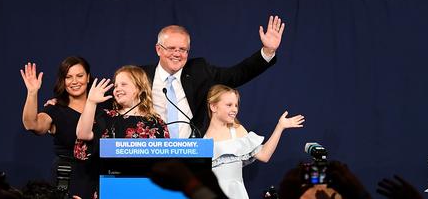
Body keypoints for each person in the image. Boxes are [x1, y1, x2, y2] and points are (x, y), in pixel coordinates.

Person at [142, 15, 285, 138]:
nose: (177, 54)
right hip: (150, 153)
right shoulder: (140, 76)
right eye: (171, 48)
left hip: (191, 154)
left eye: (183, 49)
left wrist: (268, 51)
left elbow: (236, 75)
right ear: (158, 49)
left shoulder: (199, 70)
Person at [204, 85, 304, 199]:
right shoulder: (200, 136)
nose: (234, 110)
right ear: (213, 106)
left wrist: (280, 127)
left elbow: (264, 155)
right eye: (229, 105)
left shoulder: (237, 131)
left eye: (236, 105)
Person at [20, 57, 96, 199]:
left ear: (88, 77)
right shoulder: (55, 109)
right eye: (68, 77)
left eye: (80, 76)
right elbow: (31, 124)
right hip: (69, 180)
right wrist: (32, 92)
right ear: (63, 81)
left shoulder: (103, 105)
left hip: (102, 177)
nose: (74, 81)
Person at [76, 65, 169, 141]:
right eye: (116, 86)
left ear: (139, 88)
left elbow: (165, 157)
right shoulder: (106, 117)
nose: (118, 89)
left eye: (123, 84)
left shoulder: (156, 123)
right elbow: (83, 135)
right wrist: (91, 102)